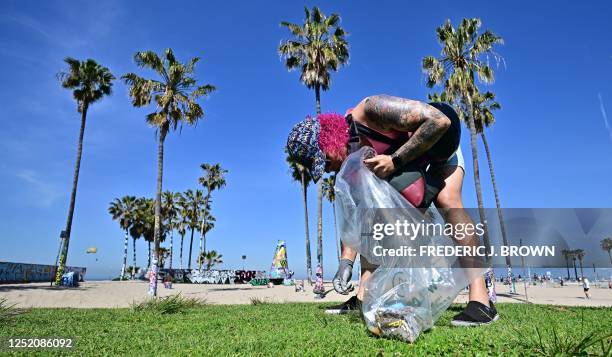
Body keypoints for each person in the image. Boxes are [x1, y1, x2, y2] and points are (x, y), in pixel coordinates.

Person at [286, 94, 498, 327]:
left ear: (329, 139)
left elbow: (439, 122)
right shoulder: (348, 161)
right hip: (411, 165)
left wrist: (395, 161)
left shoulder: (370, 111)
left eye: (323, 160)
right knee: (369, 214)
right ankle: (362, 296)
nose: (326, 169)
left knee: (448, 200)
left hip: (440, 145)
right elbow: (355, 216)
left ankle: (482, 301)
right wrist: (346, 263)